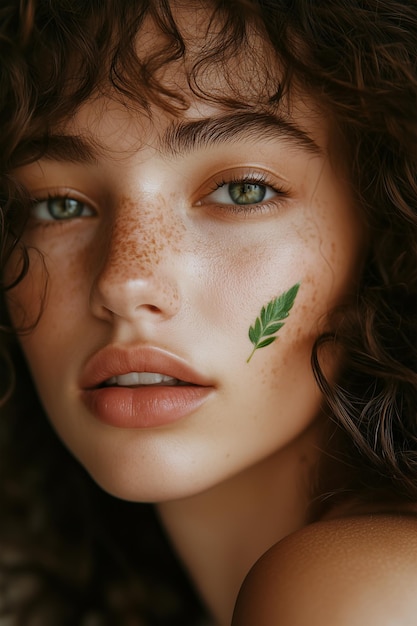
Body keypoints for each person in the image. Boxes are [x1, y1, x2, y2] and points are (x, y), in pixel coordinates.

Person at [0, 1, 416, 624]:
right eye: (58, 205)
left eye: (243, 190)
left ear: (382, 242)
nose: (123, 280)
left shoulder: (359, 598)